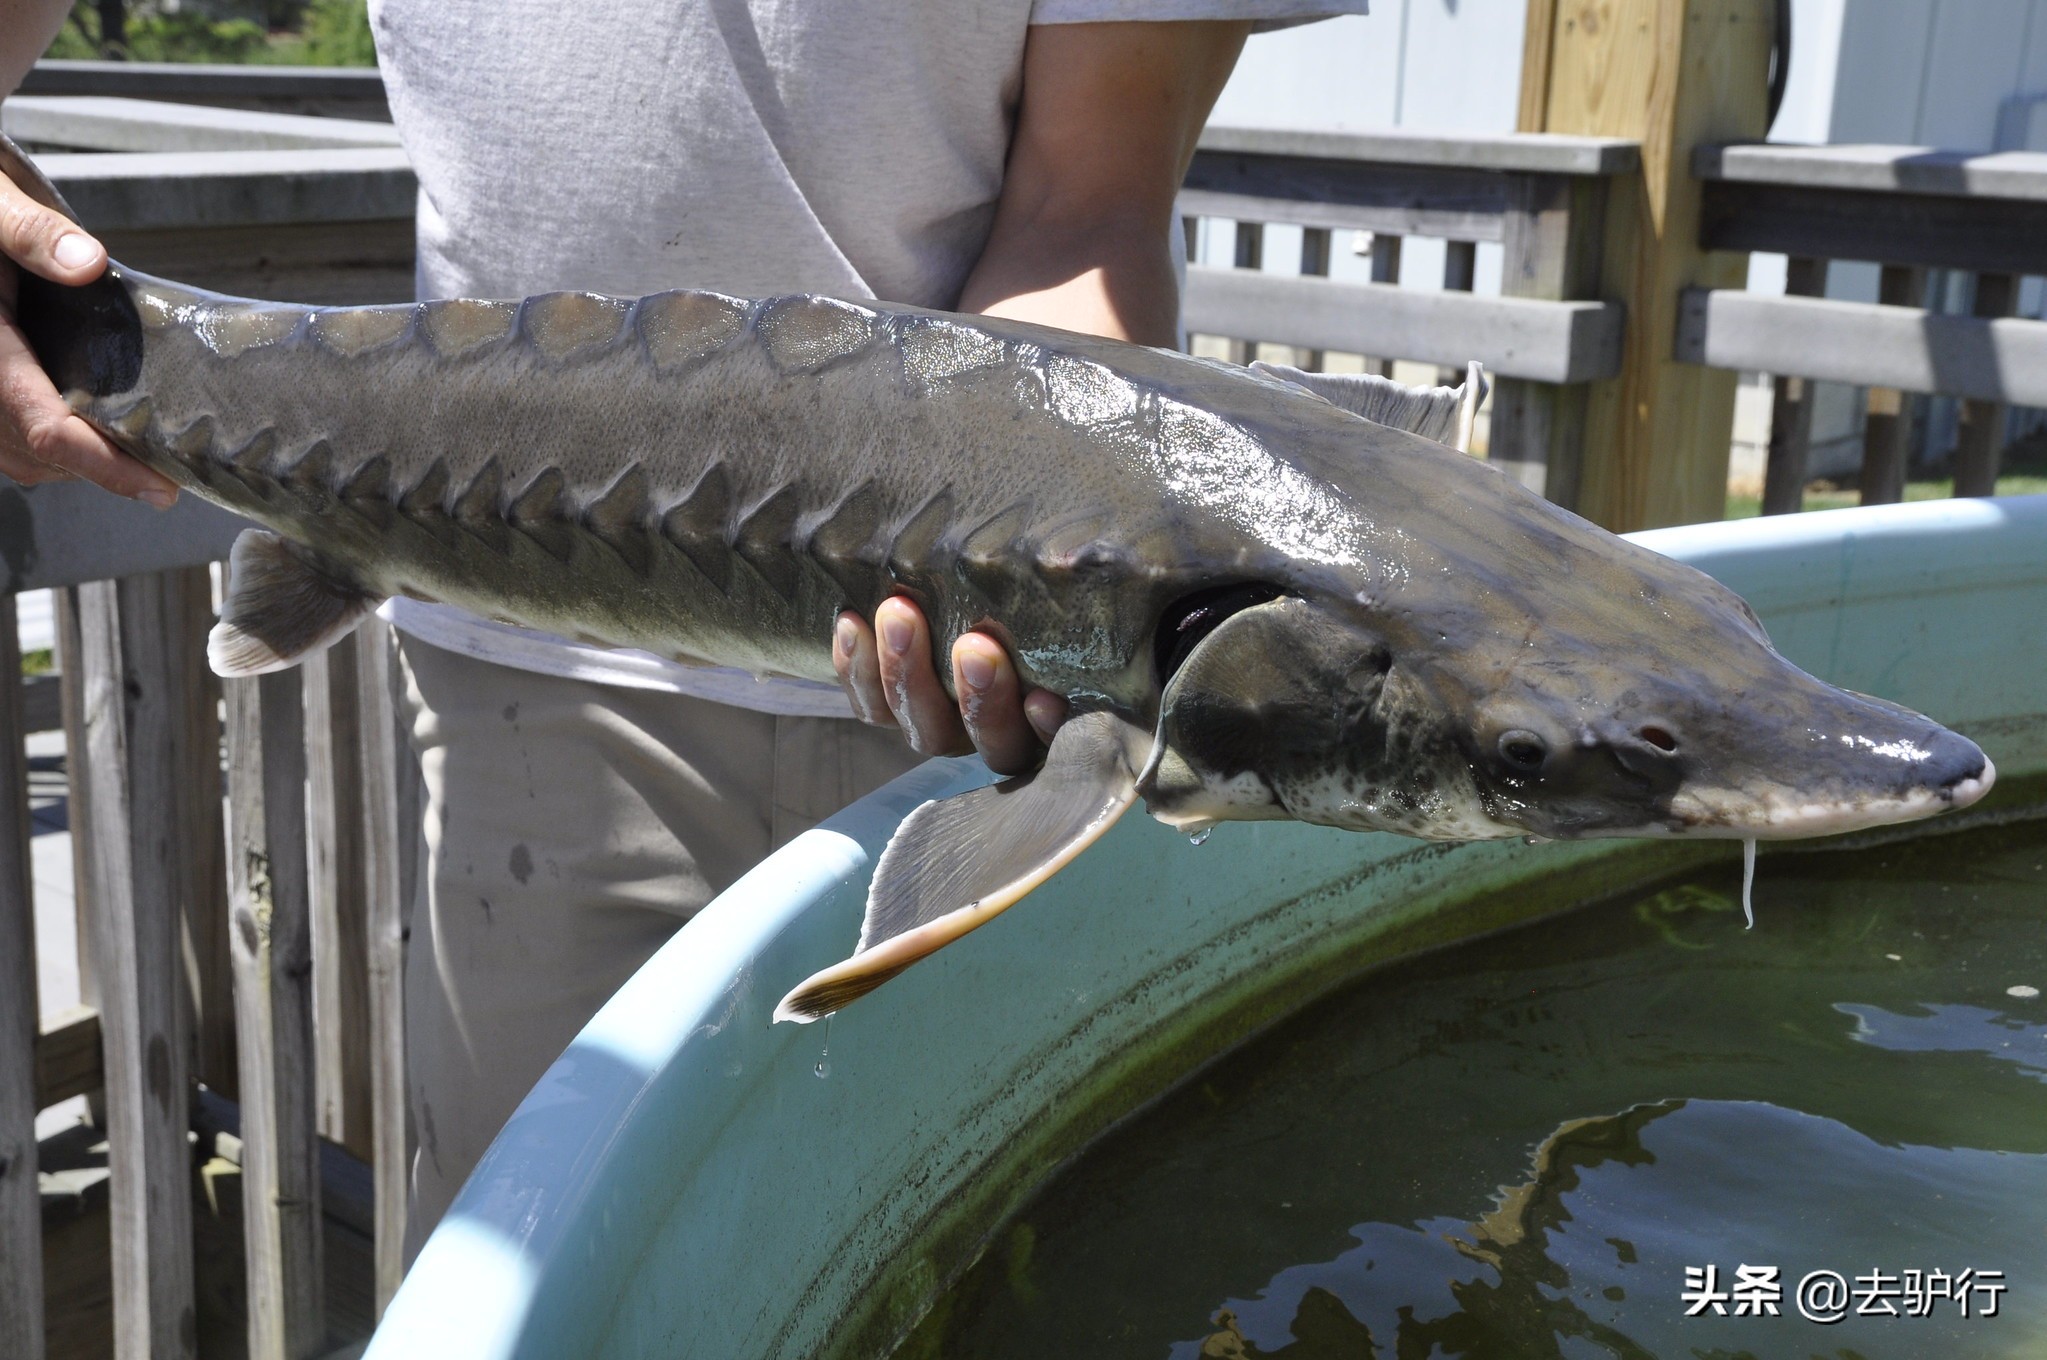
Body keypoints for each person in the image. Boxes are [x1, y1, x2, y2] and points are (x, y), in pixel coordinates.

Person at [0, 0, 1367, 1255]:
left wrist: (1015, 575)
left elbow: (1086, 204)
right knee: (540, 1275)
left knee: (957, 1266)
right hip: (533, 695)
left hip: (983, 734)